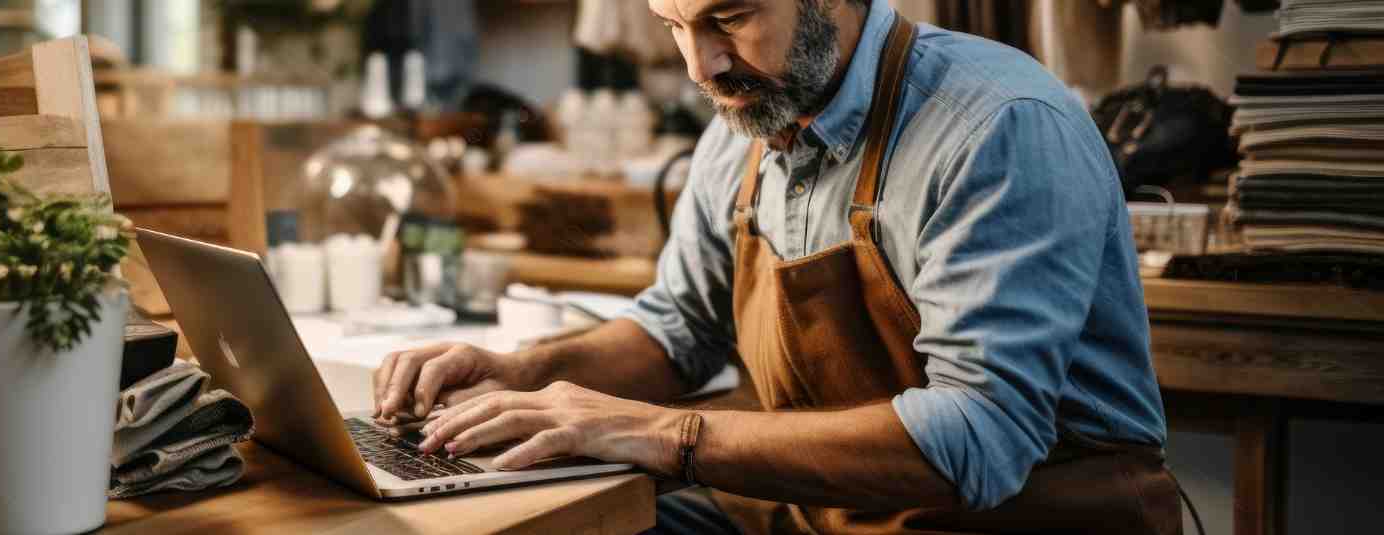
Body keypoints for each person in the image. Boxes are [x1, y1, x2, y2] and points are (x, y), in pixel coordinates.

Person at [373, 0, 1181, 533]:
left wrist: (659, 431)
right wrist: (522, 372)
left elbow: (980, 438)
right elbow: (677, 330)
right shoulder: (747, 124)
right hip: (813, 514)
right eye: (673, 25)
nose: (701, 66)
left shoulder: (997, 128)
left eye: (729, 17)